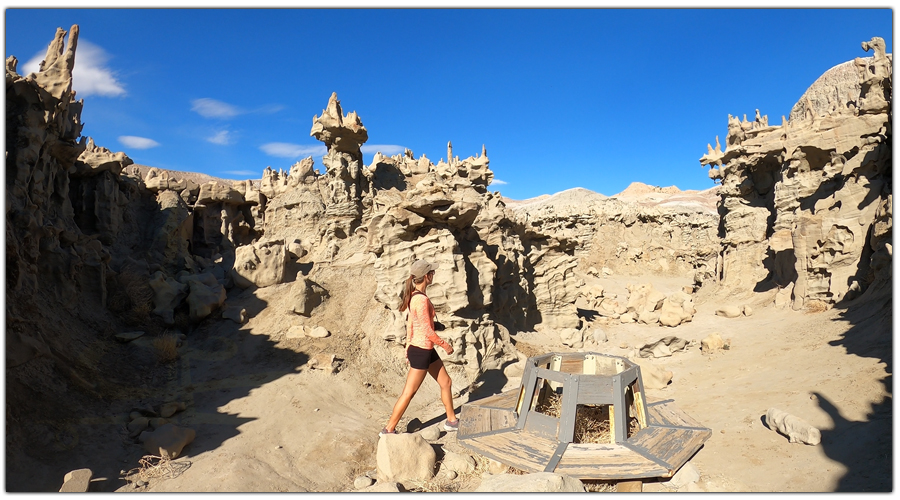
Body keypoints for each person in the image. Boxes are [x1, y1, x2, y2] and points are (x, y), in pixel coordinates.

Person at [381, 259, 459, 435]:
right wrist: (445, 345)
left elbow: (411, 325)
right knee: (409, 392)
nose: (434, 274)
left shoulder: (416, 296)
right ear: (426, 276)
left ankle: (451, 421)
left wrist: (408, 347)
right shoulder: (420, 300)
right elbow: (426, 331)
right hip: (422, 350)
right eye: (432, 272)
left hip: (424, 349)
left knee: (446, 382)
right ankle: (388, 429)